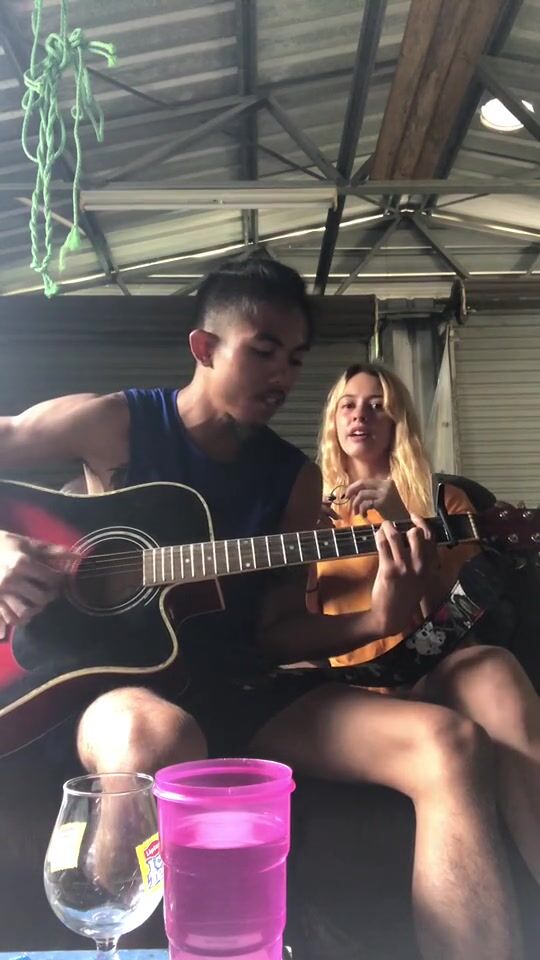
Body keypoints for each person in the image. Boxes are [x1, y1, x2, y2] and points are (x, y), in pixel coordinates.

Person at [0, 262, 524, 960]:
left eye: (297, 358)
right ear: (204, 347)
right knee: (155, 735)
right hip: (116, 684)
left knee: (448, 744)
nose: (283, 375)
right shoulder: (115, 423)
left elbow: (277, 633)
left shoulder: (293, 479)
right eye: (264, 350)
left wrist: (378, 618)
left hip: (241, 686)